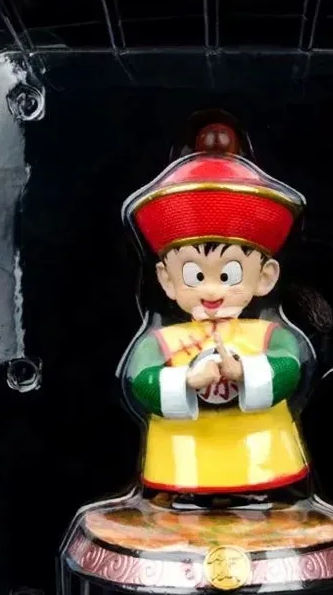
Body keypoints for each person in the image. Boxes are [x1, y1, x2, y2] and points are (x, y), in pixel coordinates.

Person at [121, 122, 312, 497]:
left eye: (229, 275)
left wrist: (245, 372)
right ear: (167, 280)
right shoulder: (161, 342)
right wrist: (186, 382)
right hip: (180, 464)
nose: (212, 290)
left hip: (266, 460)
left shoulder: (270, 336)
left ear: (265, 278)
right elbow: (141, 379)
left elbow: (290, 367)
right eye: (194, 275)